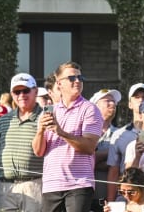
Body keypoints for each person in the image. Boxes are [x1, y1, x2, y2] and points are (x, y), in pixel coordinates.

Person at [33, 61, 102, 212]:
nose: (77, 81)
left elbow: (89, 147)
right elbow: (39, 152)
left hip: (79, 184)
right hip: (52, 183)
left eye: (80, 77)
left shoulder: (90, 109)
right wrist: (40, 131)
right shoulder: (49, 111)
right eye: (72, 78)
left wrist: (61, 132)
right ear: (59, 84)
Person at [0, 73, 44, 212]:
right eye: (17, 91)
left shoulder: (45, 117)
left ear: (36, 91)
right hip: (5, 186)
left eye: (26, 90)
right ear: (12, 94)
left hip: (34, 185)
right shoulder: (4, 120)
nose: (21, 95)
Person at [107, 83, 144, 202]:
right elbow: (114, 172)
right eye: (137, 97)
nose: (141, 100)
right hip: (127, 196)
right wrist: (111, 203)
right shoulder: (119, 135)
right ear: (130, 104)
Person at [91, 88, 121, 210]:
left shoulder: (120, 134)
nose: (112, 104)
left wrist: (96, 156)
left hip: (108, 200)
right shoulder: (85, 132)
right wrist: (110, 154)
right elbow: (85, 160)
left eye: (114, 102)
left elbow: (118, 166)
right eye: (107, 101)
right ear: (95, 106)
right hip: (83, 197)